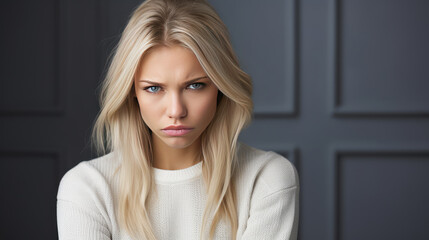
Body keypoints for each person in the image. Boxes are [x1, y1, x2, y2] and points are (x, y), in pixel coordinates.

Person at [56, 0, 299, 239]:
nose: (176, 111)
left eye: (195, 85)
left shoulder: (266, 179)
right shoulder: (87, 188)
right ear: (131, 91)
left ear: (221, 87)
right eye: (154, 88)